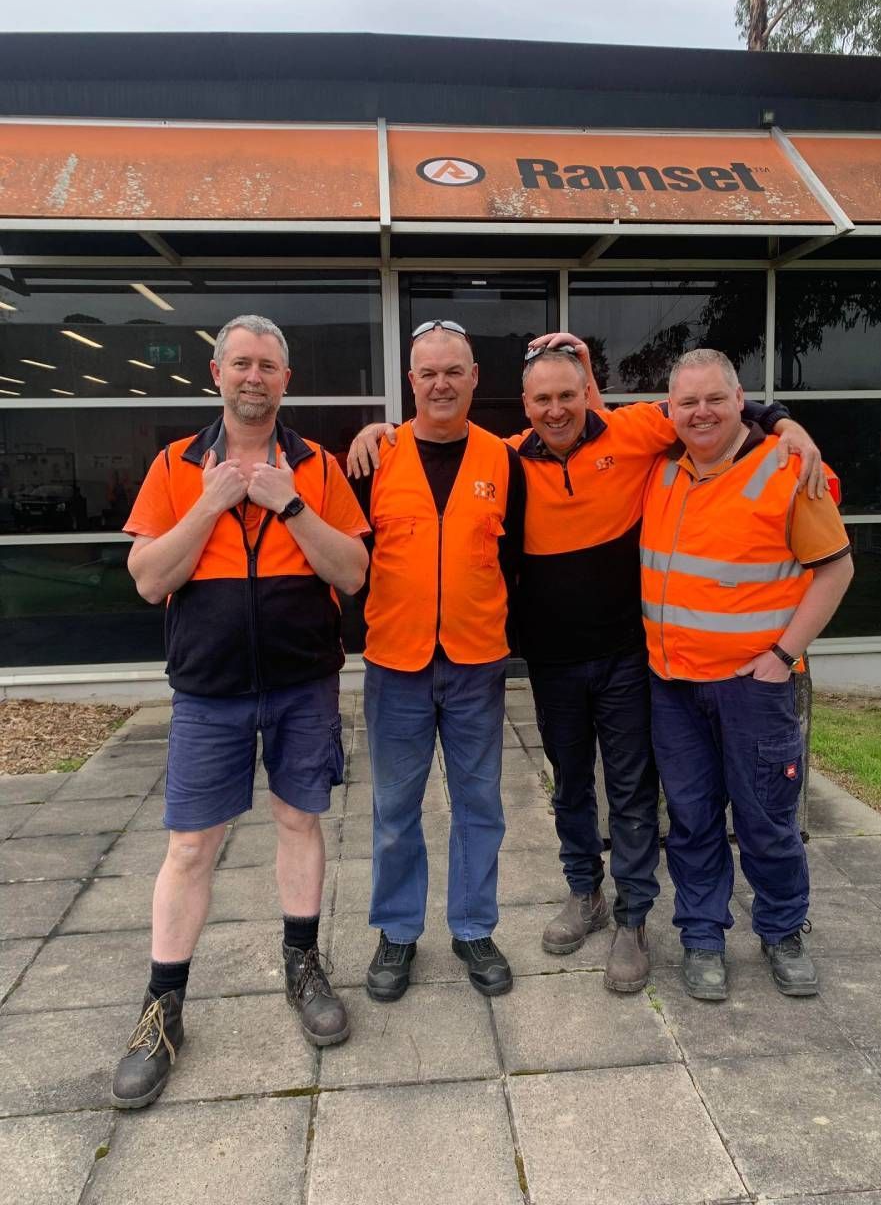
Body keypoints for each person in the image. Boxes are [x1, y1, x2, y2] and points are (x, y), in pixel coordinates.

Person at [349, 330, 823, 995]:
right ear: (524, 402)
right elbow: (439, 461)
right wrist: (380, 430)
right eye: (542, 398)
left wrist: (783, 420)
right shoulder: (508, 458)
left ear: (587, 392)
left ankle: (632, 917)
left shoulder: (633, 431)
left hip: (628, 657)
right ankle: (583, 892)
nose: (555, 408)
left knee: (630, 791)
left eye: (567, 394)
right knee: (569, 785)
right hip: (548, 661)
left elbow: (706, 404)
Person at [111, 314, 369, 1109]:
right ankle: (163, 1008)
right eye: (241, 364)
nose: (254, 377)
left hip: (302, 684)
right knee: (191, 847)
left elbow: (353, 572)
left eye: (269, 365)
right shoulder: (173, 465)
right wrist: (210, 504)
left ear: (286, 381)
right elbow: (150, 579)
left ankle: (302, 964)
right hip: (209, 691)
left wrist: (291, 507)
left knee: (299, 821)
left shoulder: (317, 466)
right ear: (216, 374)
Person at [641, 347, 853, 1001]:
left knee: (767, 818)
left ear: (742, 402)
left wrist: (784, 655)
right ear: (670, 410)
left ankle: (783, 929)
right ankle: (702, 935)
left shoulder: (789, 468)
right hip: (674, 686)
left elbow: (836, 569)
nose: (700, 412)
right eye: (687, 402)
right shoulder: (660, 469)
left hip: (754, 689)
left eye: (714, 399)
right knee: (693, 817)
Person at [354, 319, 525, 1003]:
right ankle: (397, 932)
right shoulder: (375, 455)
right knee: (395, 808)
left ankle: (473, 927)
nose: (442, 383)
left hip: (477, 662)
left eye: (454, 370)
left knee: (480, 804)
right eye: (429, 372)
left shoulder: (504, 460)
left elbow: (516, 560)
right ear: (411, 381)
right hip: (396, 663)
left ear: (475, 377)